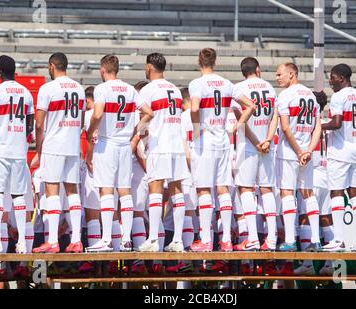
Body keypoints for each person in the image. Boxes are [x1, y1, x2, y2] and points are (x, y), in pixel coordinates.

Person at [188, 48, 255, 252]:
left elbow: (194, 108)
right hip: (223, 137)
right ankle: (226, 239)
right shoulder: (227, 83)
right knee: (223, 187)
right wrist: (236, 127)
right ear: (215, 62)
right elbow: (251, 105)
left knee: (203, 189)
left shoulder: (196, 84)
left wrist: (197, 130)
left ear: (199, 61)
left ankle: (206, 239)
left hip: (206, 138)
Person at [85, 54, 153, 252]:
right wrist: (135, 130)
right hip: (124, 144)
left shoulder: (102, 89)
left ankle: (106, 239)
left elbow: (97, 114)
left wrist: (90, 132)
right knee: (124, 191)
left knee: (106, 190)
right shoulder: (130, 89)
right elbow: (149, 112)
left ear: (102, 69)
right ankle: (126, 239)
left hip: (107, 143)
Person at [0, 55, 34, 254]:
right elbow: (29, 126)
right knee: (18, 195)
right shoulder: (26, 93)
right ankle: (22, 243)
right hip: (19, 151)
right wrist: (18, 139)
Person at [33, 52, 85, 253]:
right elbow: (80, 120)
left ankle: (53, 240)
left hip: (54, 144)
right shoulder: (78, 88)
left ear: (51, 66)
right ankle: (76, 240)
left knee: (52, 190)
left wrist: (39, 147)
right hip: (72, 145)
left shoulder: (47, 88)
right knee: (73, 192)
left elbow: (39, 123)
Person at [137, 53, 188, 253]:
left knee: (155, 188)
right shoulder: (174, 89)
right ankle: (177, 240)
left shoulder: (148, 90)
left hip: (160, 143)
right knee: (177, 189)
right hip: (176, 143)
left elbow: (144, 118)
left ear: (149, 67)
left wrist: (138, 132)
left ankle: (153, 240)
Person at [322, 64, 356, 252]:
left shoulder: (338, 96)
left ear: (341, 78)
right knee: (355, 192)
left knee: (336, 192)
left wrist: (320, 126)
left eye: (333, 77)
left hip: (340, 152)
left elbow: (335, 124)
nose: (330, 81)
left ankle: (339, 239)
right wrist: (353, 127)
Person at [231, 57, 279, 251]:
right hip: (267, 145)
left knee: (246, 189)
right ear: (258, 69)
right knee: (267, 189)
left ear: (243, 72)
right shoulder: (269, 87)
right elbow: (275, 116)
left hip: (249, 146)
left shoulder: (239, 88)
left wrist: (257, 142)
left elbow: (240, 121)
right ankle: (272, 238)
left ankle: (252, 238)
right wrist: (267, 139)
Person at [275, 63, 322, 252]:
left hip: (289, 152)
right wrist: (308, 150)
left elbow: (285, 127)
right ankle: (316, 240)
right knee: (308, 193)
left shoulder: (285, 95)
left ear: (292, 74)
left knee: (287, 193)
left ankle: (290, 240)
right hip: (306, 152)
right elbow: (318, 126)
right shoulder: (311, 95)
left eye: (280, 74)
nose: (277, 77)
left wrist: (298, 151)